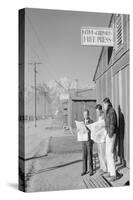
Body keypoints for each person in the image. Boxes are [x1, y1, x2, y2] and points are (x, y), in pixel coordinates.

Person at [103, 97, 120, 182]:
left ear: (108, 103)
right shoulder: (107, 112)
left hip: (112, 135)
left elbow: (113, 124)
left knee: (110, 153)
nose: (104, 106)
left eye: (105, 104)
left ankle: (114, 174)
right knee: (107, 154)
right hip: (108, 134)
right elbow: (107, 123)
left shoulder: (112, 111)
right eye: (103, 104)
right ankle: (110, 171)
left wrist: (110, 135)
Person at [81, 109, 93, 176]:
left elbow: (93, 130)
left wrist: (89, 131)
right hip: (83, 140)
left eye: (86, 114)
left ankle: (91, 170)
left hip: (89, 140)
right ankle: (84, 170)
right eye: (84, 114)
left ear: (88, 114)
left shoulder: (91, 121)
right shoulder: (82, 122)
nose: (85, 116)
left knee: (90, 155)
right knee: (84, 155)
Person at [95, 104, 107, 174]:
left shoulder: (104, 116)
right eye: (96, 112)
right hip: (98, 138)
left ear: (100, 110)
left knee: (103, 154)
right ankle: (102, 167)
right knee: (100, 153)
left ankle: (105, 169)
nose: (97, 113)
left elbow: (104, 127)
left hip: (103, 138)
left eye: (97, 111)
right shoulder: (99, 117)